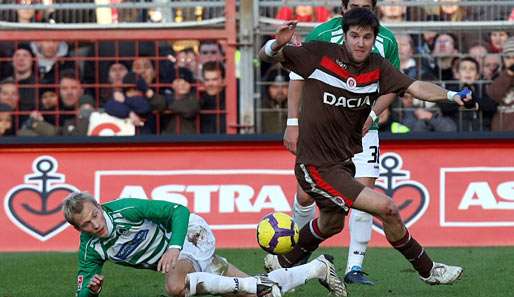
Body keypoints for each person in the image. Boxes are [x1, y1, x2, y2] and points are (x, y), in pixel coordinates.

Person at [259, 8, 475, 287]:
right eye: (354, 36)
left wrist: (452, 95)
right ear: (345, 36)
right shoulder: (319, 54)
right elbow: (267, 56)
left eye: (366, 37)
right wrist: (277, 44)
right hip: (315, 163)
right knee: (387, 208)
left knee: (331, 224)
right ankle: (428, 269)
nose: (360, 42)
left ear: (375, 39)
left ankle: (281, 266)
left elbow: (415, 86)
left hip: (342, 162)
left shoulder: (377, 66)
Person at [284, 0, 399, 285]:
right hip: (321, 131)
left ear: (375, 8)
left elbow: (394, 85)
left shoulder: (386, 40)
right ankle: (295, 259)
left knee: (364, 195)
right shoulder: (323, 33)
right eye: (354, 5)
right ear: (343, 7)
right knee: (304, 195)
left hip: (361, 129)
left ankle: (355, 267)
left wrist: (372, 116)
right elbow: (299, 76)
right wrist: (292, 123)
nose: (360, 10)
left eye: (366, 6)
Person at [63, 192, 346, 297]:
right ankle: (317, 269)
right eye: (86, 224)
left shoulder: (126, 209)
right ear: (78, 229)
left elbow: (178, 211)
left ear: (99, 207)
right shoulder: (91, 250)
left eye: (95, 215)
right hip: (187, 260)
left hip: (190, 234)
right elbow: (83, 293)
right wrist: (91, 290)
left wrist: (174, 247)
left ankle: (253, 285)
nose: (95, 225)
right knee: (261, 294)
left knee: (174, 286)